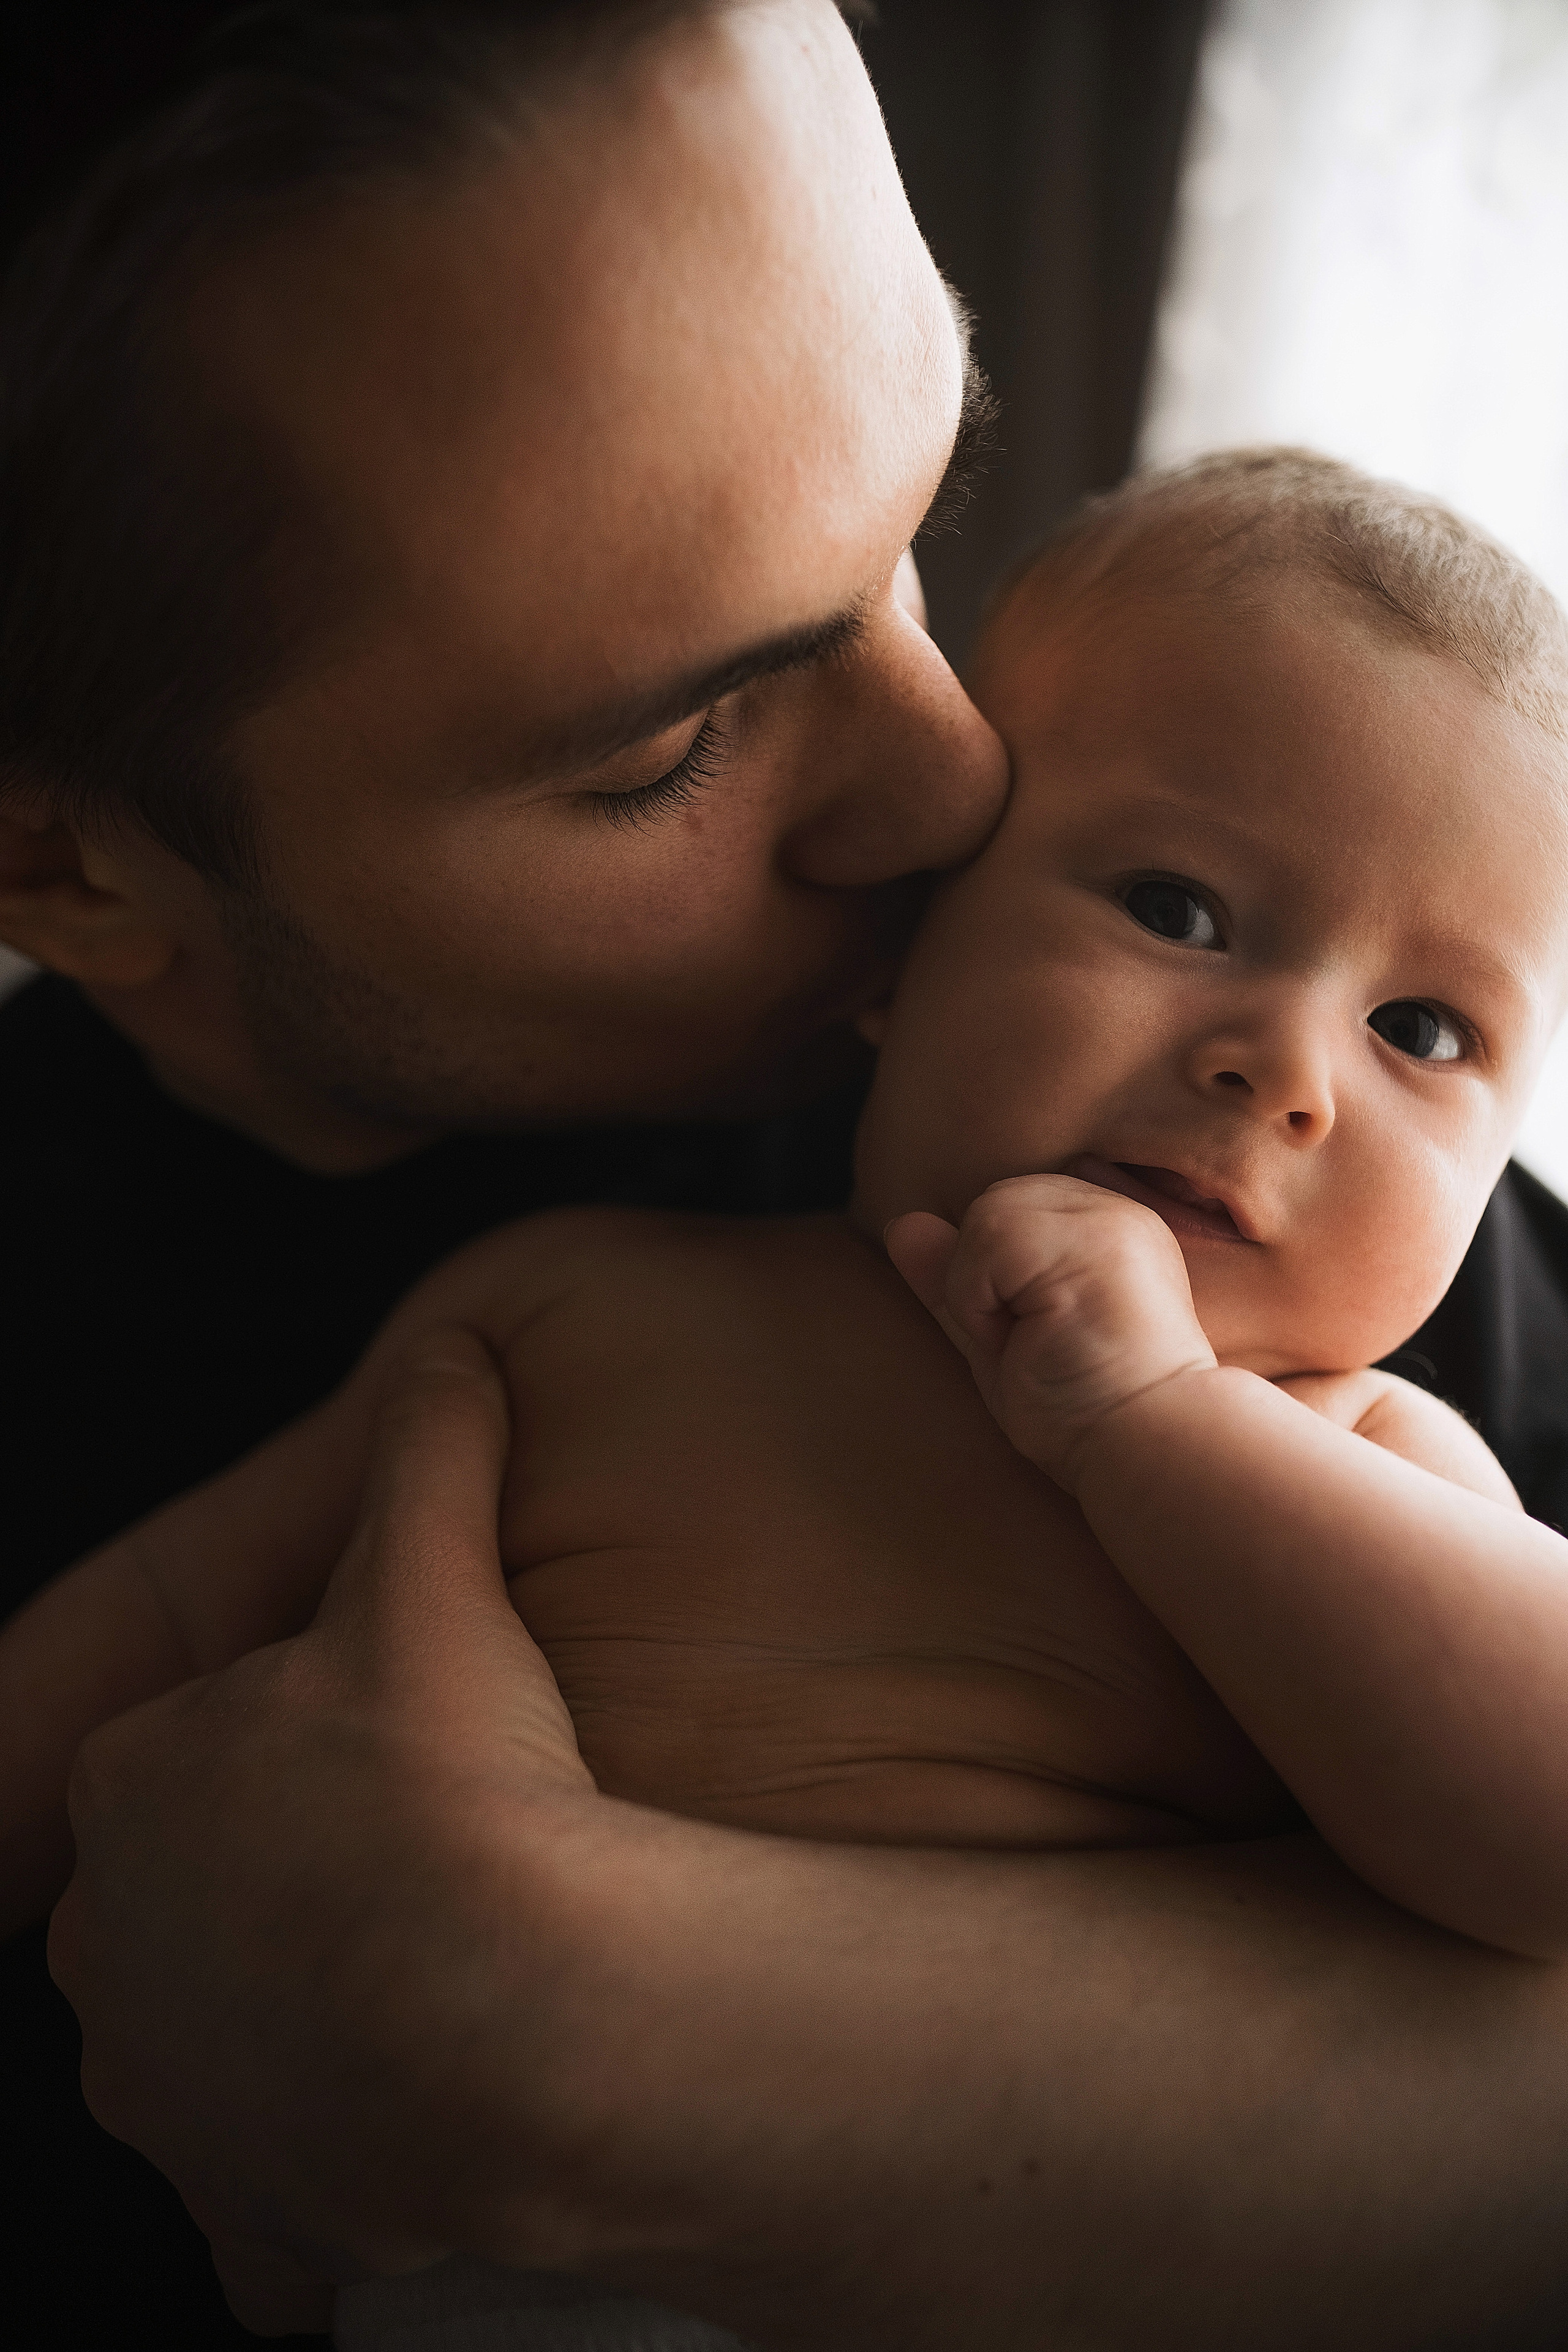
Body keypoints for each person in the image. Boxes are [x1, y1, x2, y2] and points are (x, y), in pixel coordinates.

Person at [6, 4, 1568, 2346]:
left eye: (926, 515)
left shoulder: (1307, 1274)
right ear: (68, 866)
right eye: (679, 737)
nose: (958, 791)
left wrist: (628, 2042)